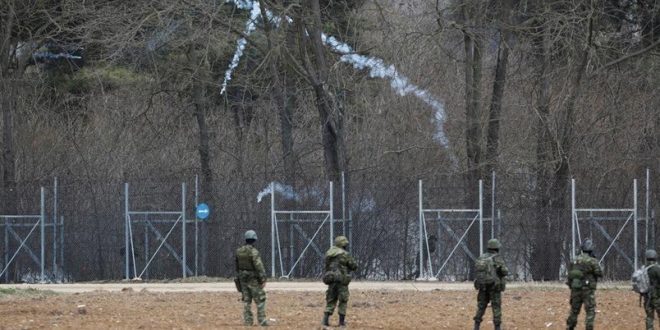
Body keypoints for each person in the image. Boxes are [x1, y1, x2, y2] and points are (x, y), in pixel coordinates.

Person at [566, 239, 603, 330]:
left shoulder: (574, 260)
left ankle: (569, 327)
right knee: (590, 310)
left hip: (576, 289)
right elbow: (600, 273)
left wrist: (572, 287)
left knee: (574, 310)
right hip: (588, 290)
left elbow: (569, 276)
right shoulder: (592, 261)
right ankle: (589, 327)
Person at [473, 238, 509, 330]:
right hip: (494, 287)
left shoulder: (481, 257)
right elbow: (505, 272)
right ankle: (497, 327)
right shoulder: (497, 258)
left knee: (481, 306)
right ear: (496, 248)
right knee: (496, 307)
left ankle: (476, 325)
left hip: (483, 286)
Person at [322, 235, 358, 328]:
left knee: (330, 300)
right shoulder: (344, 254)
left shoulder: (329, 253)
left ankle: (325, 321)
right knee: (343, 300)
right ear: (342, 245)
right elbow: (353, 266)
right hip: (342, 281)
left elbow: (326, 267)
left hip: (331, 280)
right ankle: (341, 323)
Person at [235, 230, 268, 326]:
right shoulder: (254, 252)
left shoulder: (239, 251)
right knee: (260, 299)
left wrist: (240, 276)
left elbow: (237, 266)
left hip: (242, 278)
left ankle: (248, 321)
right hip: (253, 279)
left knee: (246, 300)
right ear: (254, 239)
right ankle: (262, 321)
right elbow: (259, 266)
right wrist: (263, 279)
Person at [643, 249, 660, 329]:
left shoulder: (644, 269)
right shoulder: (657, 269)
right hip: (657, 296)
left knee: (649, 317)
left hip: (647, 297)